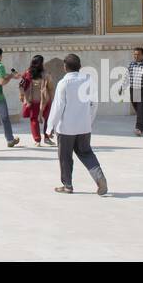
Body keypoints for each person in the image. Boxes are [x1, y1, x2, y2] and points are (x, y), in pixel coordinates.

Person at [48, 53, 108, 195]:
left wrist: (50, 126)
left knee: (65, 157)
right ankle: (99, 177)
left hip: (66, 128)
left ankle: (67, 185)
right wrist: (89, 121)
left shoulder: (63, 83)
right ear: (80, 67)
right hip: (84, 126)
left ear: (65, 67)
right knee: (86, 153)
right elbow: (94, 103)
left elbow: (58, 107)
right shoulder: (88, 80)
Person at [19, 55, 56, 147]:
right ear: (41, 63)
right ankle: (47, 138)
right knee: (48, 119)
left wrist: (22, 96)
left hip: (32, 101)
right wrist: (53, 99)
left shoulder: (27, 73)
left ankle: (37, 140)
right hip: (45, 101)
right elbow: (51, 88)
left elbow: (21, 86)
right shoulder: (46, 74)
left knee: (34, 120)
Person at [127, 47, 143, 136]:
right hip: (133, 89)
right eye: (134, 54)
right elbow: (127, 76)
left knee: (141, 108)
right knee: (138, 110)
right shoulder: (131, 64)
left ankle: (139, 128)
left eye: (138, 54)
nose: (136, 56)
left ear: (142, 55)